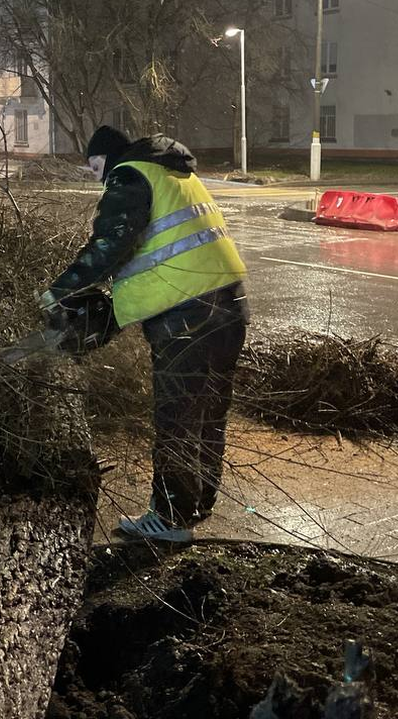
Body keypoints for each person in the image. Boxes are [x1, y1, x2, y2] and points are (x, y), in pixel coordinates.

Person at [39, 125, 249, 542]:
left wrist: (60, 291)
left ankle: (170, 519)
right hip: (230, 302)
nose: (98, 175)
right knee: (207, 415)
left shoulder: (129, 173)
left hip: (188, 312)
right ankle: (195, 505)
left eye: (96, 165)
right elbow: (154, 251)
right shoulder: (173, 173)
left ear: (108, 157)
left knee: (177, 419)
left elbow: (111, 243)